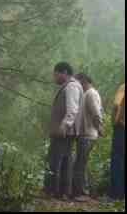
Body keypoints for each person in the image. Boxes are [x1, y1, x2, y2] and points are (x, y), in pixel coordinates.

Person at [46, 62, 82, 200]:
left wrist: (64, 126)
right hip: (66, 131)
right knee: (65, 161)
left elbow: (72, 110)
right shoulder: (71, 86)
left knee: (56, 161)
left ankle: (55, 191)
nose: (54, 78)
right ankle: (62, 192)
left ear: (64, 73)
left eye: (56, 74)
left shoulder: (71, 86)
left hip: (64, 132)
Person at [72, 73, 104, 201]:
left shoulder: (91, 93)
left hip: (88, 135)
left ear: (84, 81)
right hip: (84, 134)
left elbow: (96, 113)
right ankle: (83, 191)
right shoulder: (86, 93)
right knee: (81, 163)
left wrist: (100, 128)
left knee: (80, 164)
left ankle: (82, 193)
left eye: (78, 82)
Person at [111, 83, 125, 200]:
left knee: (118, 160)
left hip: (122, 129)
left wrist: (116, 121)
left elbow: (117, 105)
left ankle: (117, 194)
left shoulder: (123, 87)